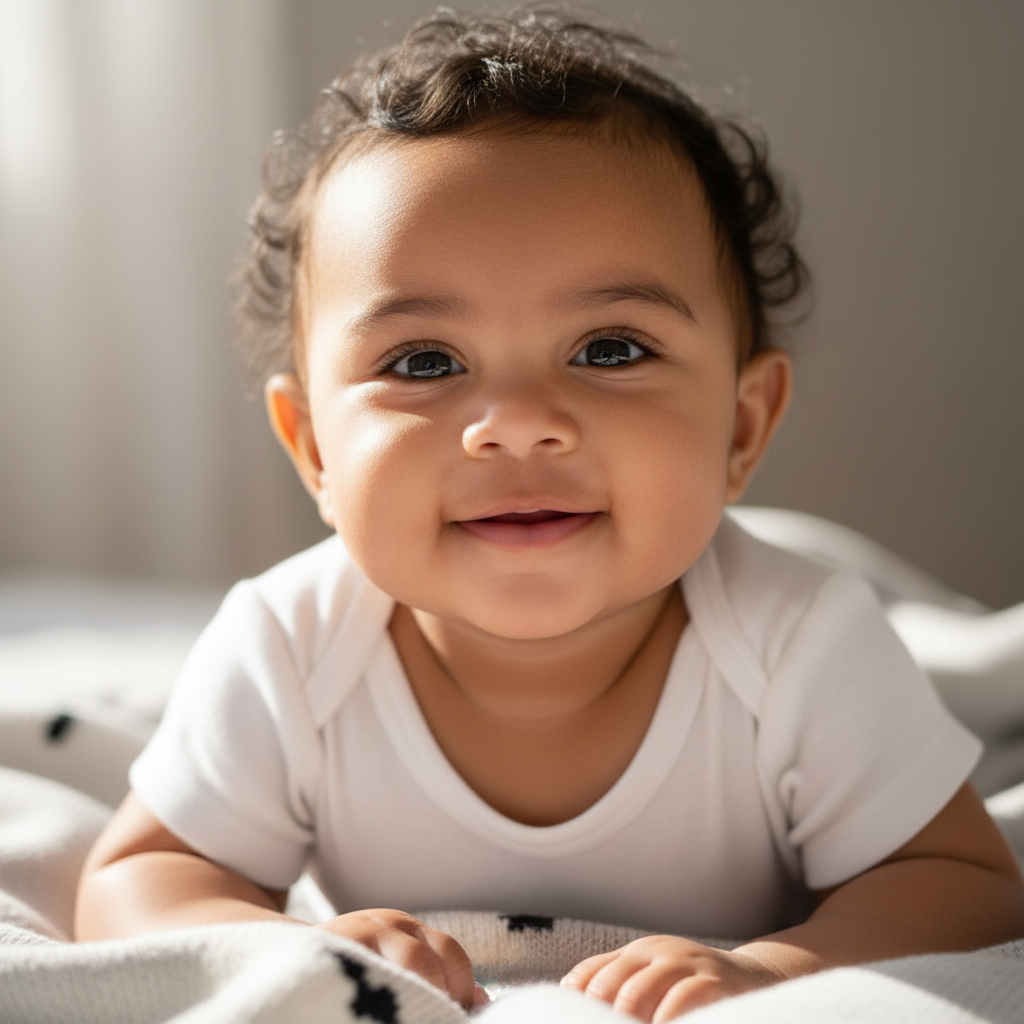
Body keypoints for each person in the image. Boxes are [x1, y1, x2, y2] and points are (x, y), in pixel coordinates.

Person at [75, 8, 1024, 1021]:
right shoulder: (289, 645)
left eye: (609, 348)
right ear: (312, 447)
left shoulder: (802, 641)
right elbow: (137, 878)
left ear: (741, 426)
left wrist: (773, 969)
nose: (517, 425)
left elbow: (960, 880)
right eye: (423, 362)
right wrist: (295, 945)